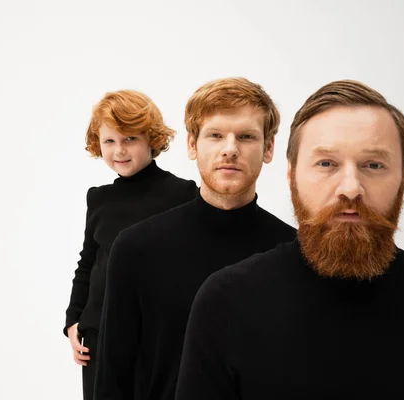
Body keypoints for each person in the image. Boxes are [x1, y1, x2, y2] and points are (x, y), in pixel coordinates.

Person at [175, 80, 404, 400]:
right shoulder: (226, 301)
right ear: (292, 175)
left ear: (403, 178)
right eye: (326, 164)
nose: (350, 188)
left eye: (373, 165)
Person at [94, 78, 297, 400]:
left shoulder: (296, 255)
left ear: (269, 148)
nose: (230, 149)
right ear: (192, 145)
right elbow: (113, 377)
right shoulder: (137, 248)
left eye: (245, 136)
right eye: (215, 135)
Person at [63, 90, 197, 400]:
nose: (119, 150)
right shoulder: (99, 199)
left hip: (158, 339)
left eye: (130, 139)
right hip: (99, 336)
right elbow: (88, 262)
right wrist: (73, 320)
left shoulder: (183, 195)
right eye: (110, 141)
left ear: (151, 139)